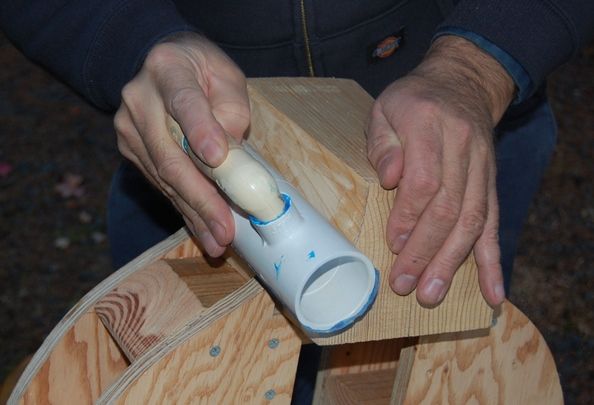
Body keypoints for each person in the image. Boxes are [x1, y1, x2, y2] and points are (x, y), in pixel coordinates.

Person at [1, 1, 593, 397]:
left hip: (456, 125)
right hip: (188, 134)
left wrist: (479, 63)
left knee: (441, 324)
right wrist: (129, 43)